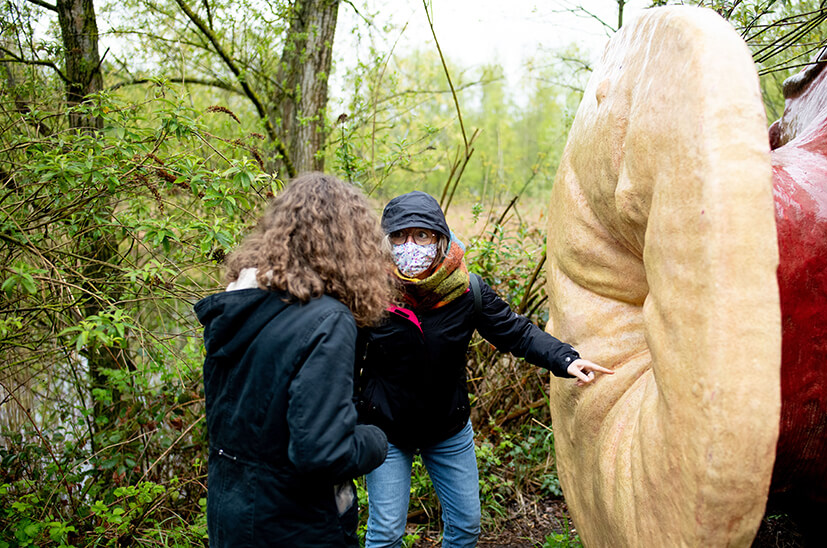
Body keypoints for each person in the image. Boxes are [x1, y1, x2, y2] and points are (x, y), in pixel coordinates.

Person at [356, 191, 613, 548]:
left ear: (440, 239)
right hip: (386, 430)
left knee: (465, 527)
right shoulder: (368, 293)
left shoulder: (466, 291)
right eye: (399, 236)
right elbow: (345, 360)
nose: (409, 245)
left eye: (422, 235)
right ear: (384, 242)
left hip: (447, 428)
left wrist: (565, 358)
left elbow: (517, 333)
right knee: (385, 534)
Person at [194, 173, 395, 547]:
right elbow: (323, 452)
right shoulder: (327, 320)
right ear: (350, 244)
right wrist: (375, 440)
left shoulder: (239, 308)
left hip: (230, 517)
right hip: (295, 524)